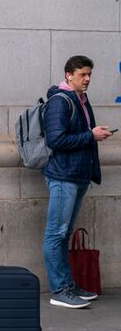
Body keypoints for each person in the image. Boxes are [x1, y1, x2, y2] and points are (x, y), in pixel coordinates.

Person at [42, 55, 110, 309]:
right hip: (63, 176)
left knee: (64, 234)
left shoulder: (80, 98)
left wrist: (92, 136)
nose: (88, 79)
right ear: (68, 75)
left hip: (77, 175)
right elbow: (56, 140)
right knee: (55, 234)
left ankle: (68, 285)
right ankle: (59, 290)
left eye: (89, 74)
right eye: (83, 74)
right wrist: (90, 135)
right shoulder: (60, 101)